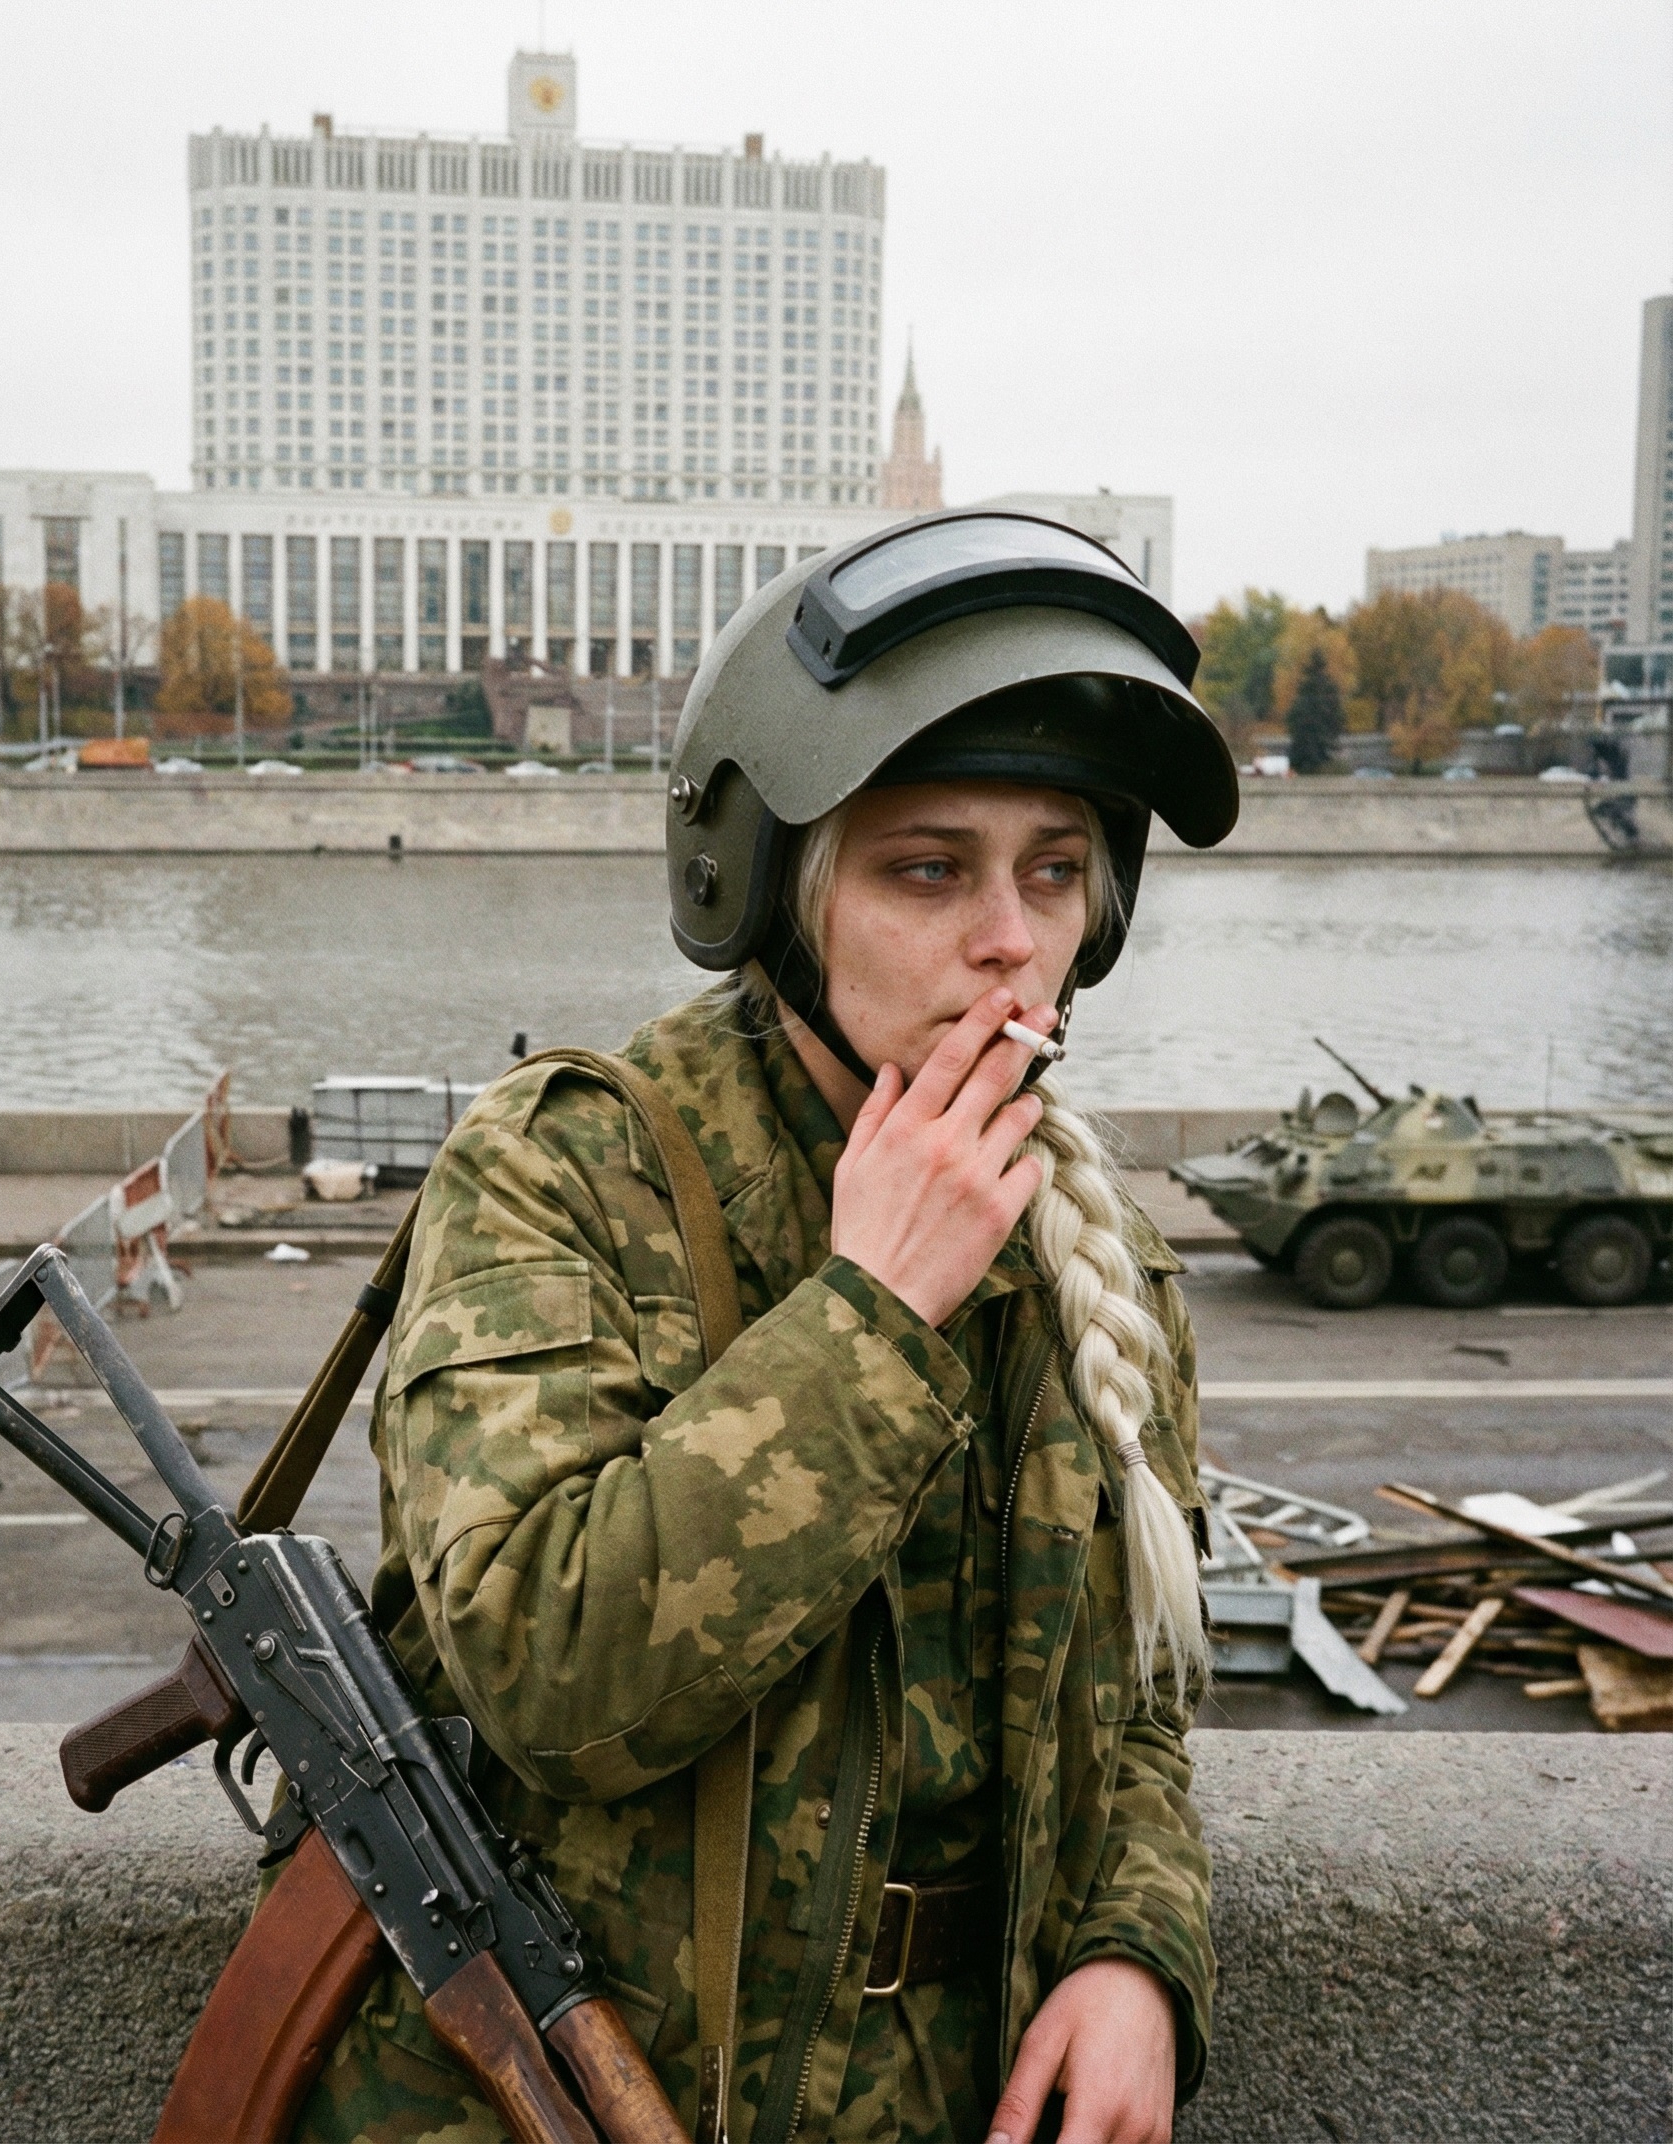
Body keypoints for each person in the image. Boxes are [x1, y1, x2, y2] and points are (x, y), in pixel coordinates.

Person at [295, 514, 1237, 2144]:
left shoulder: (1101, 1254)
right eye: (926, 867)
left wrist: (1137, 1952)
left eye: (1054, 867)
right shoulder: (564, 1170)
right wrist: (871, 1317)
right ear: (778, 892)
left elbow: (1137, 1702)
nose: (1010, 936)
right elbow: (542, 1669)